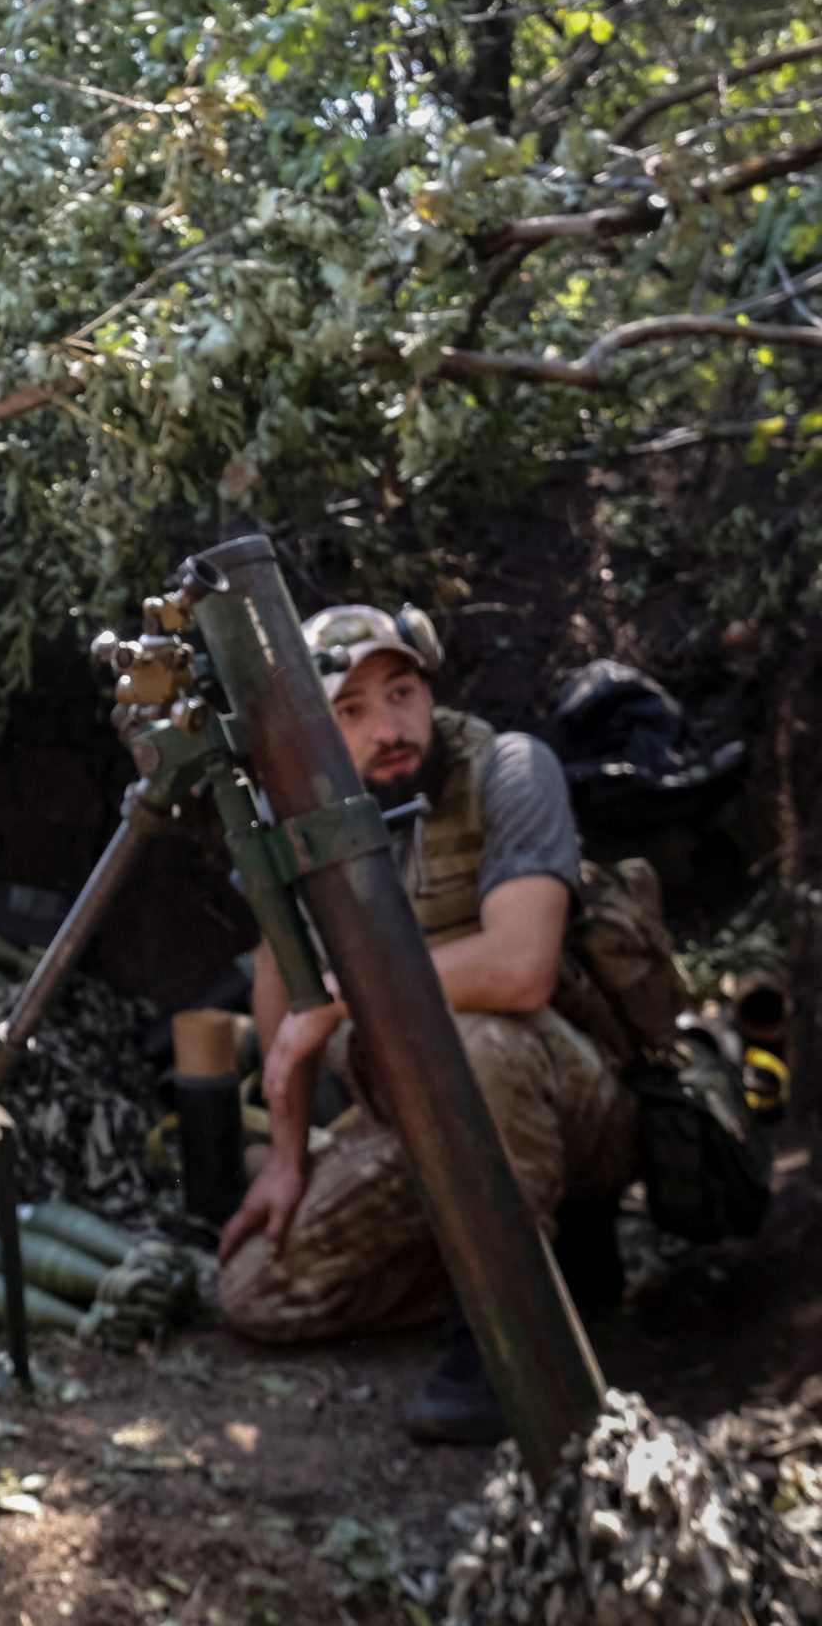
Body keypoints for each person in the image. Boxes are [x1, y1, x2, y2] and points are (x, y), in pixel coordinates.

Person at [215, 604, 635, 1444]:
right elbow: (276, 972)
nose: (389, 727)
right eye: (352, 709)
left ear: (429, 690)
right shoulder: (299, 809)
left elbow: (520, 968)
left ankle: (507, 1335)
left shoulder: (510, 769)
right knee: (254, 1290)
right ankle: (537, 1271)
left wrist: (341, 998)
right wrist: (288, 1158)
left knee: (471, 1039)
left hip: (570, 1099)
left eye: (401, 692)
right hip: (419, 1119)